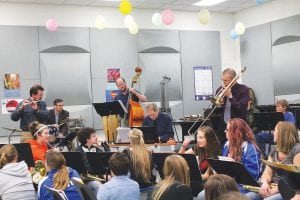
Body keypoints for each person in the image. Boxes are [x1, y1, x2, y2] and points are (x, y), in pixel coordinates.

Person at [246, 121, 300, 200]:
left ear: (282, 134)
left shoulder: (297, 149)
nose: (273, 133)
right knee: (248, 197)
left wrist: (275, 190)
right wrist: (264, 183)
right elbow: (267, 173)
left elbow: (295, 179)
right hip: (272, 186)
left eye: (275, 130)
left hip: (290, 189)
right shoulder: (274, 150)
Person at [213, 68, 250, 145]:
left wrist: (230, 96)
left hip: (237, 126)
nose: (224, 83)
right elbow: (215, 111)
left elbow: (241, 108)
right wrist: (219, 105)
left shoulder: (244, 89)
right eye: (223, 80)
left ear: (234, 79)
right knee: (221, 148)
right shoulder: (220, 89)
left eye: (226, 80)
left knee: (237, 148)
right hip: (223, 125)